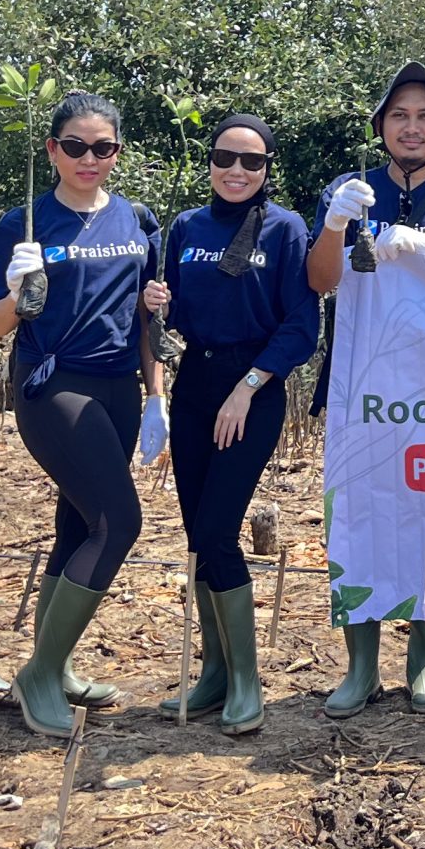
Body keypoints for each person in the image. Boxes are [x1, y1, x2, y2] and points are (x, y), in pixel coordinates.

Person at [310, 62, 425, 716]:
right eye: (399, 116)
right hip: (362, 389)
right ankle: (360, 667)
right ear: (381, 128)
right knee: (358, 518)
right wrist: (336, 225)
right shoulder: (350, 191)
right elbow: (320, 281)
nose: (411, 127)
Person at [0, 91, 165, 738]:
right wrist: (17, 295)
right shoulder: (24, 224)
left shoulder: (139, 220)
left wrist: (156, 395)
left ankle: (53, 669)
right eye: (77, 146)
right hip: (52, 385)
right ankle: (39, 675)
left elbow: (149, 318)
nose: (91, 159)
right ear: (53, 150)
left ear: (117, 152)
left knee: (77, 526)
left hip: (119, 389)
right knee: (118, 524)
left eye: (104, 147)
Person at [142, 113, 317, 735]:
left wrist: (249, 387)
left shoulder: (287, 229)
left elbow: (301, 323)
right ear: (210, 162)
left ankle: (248, 681)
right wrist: (158, 305)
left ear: (267, 168)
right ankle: (213, 671)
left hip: (253, 388)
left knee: (219, 531)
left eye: (252, 162)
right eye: (225, 158)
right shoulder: (187, 226)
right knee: (197, 536)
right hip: (196, 385)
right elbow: (181, 313)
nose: (237, 171)